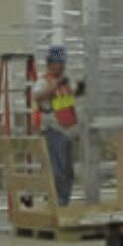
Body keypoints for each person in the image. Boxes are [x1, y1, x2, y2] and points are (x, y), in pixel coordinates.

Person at [31, 45, 81, 205]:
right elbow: (37, 95)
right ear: (50, 63)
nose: (62, 66)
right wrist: (55, 86)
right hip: (53, 130)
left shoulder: (66, 83)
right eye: (59, 62)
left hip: (67, 130)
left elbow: (69, 101)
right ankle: (56, 201)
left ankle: (63, 201)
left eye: (63, 62)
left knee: (67, 170)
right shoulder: (44, 81)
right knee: (57, 169)